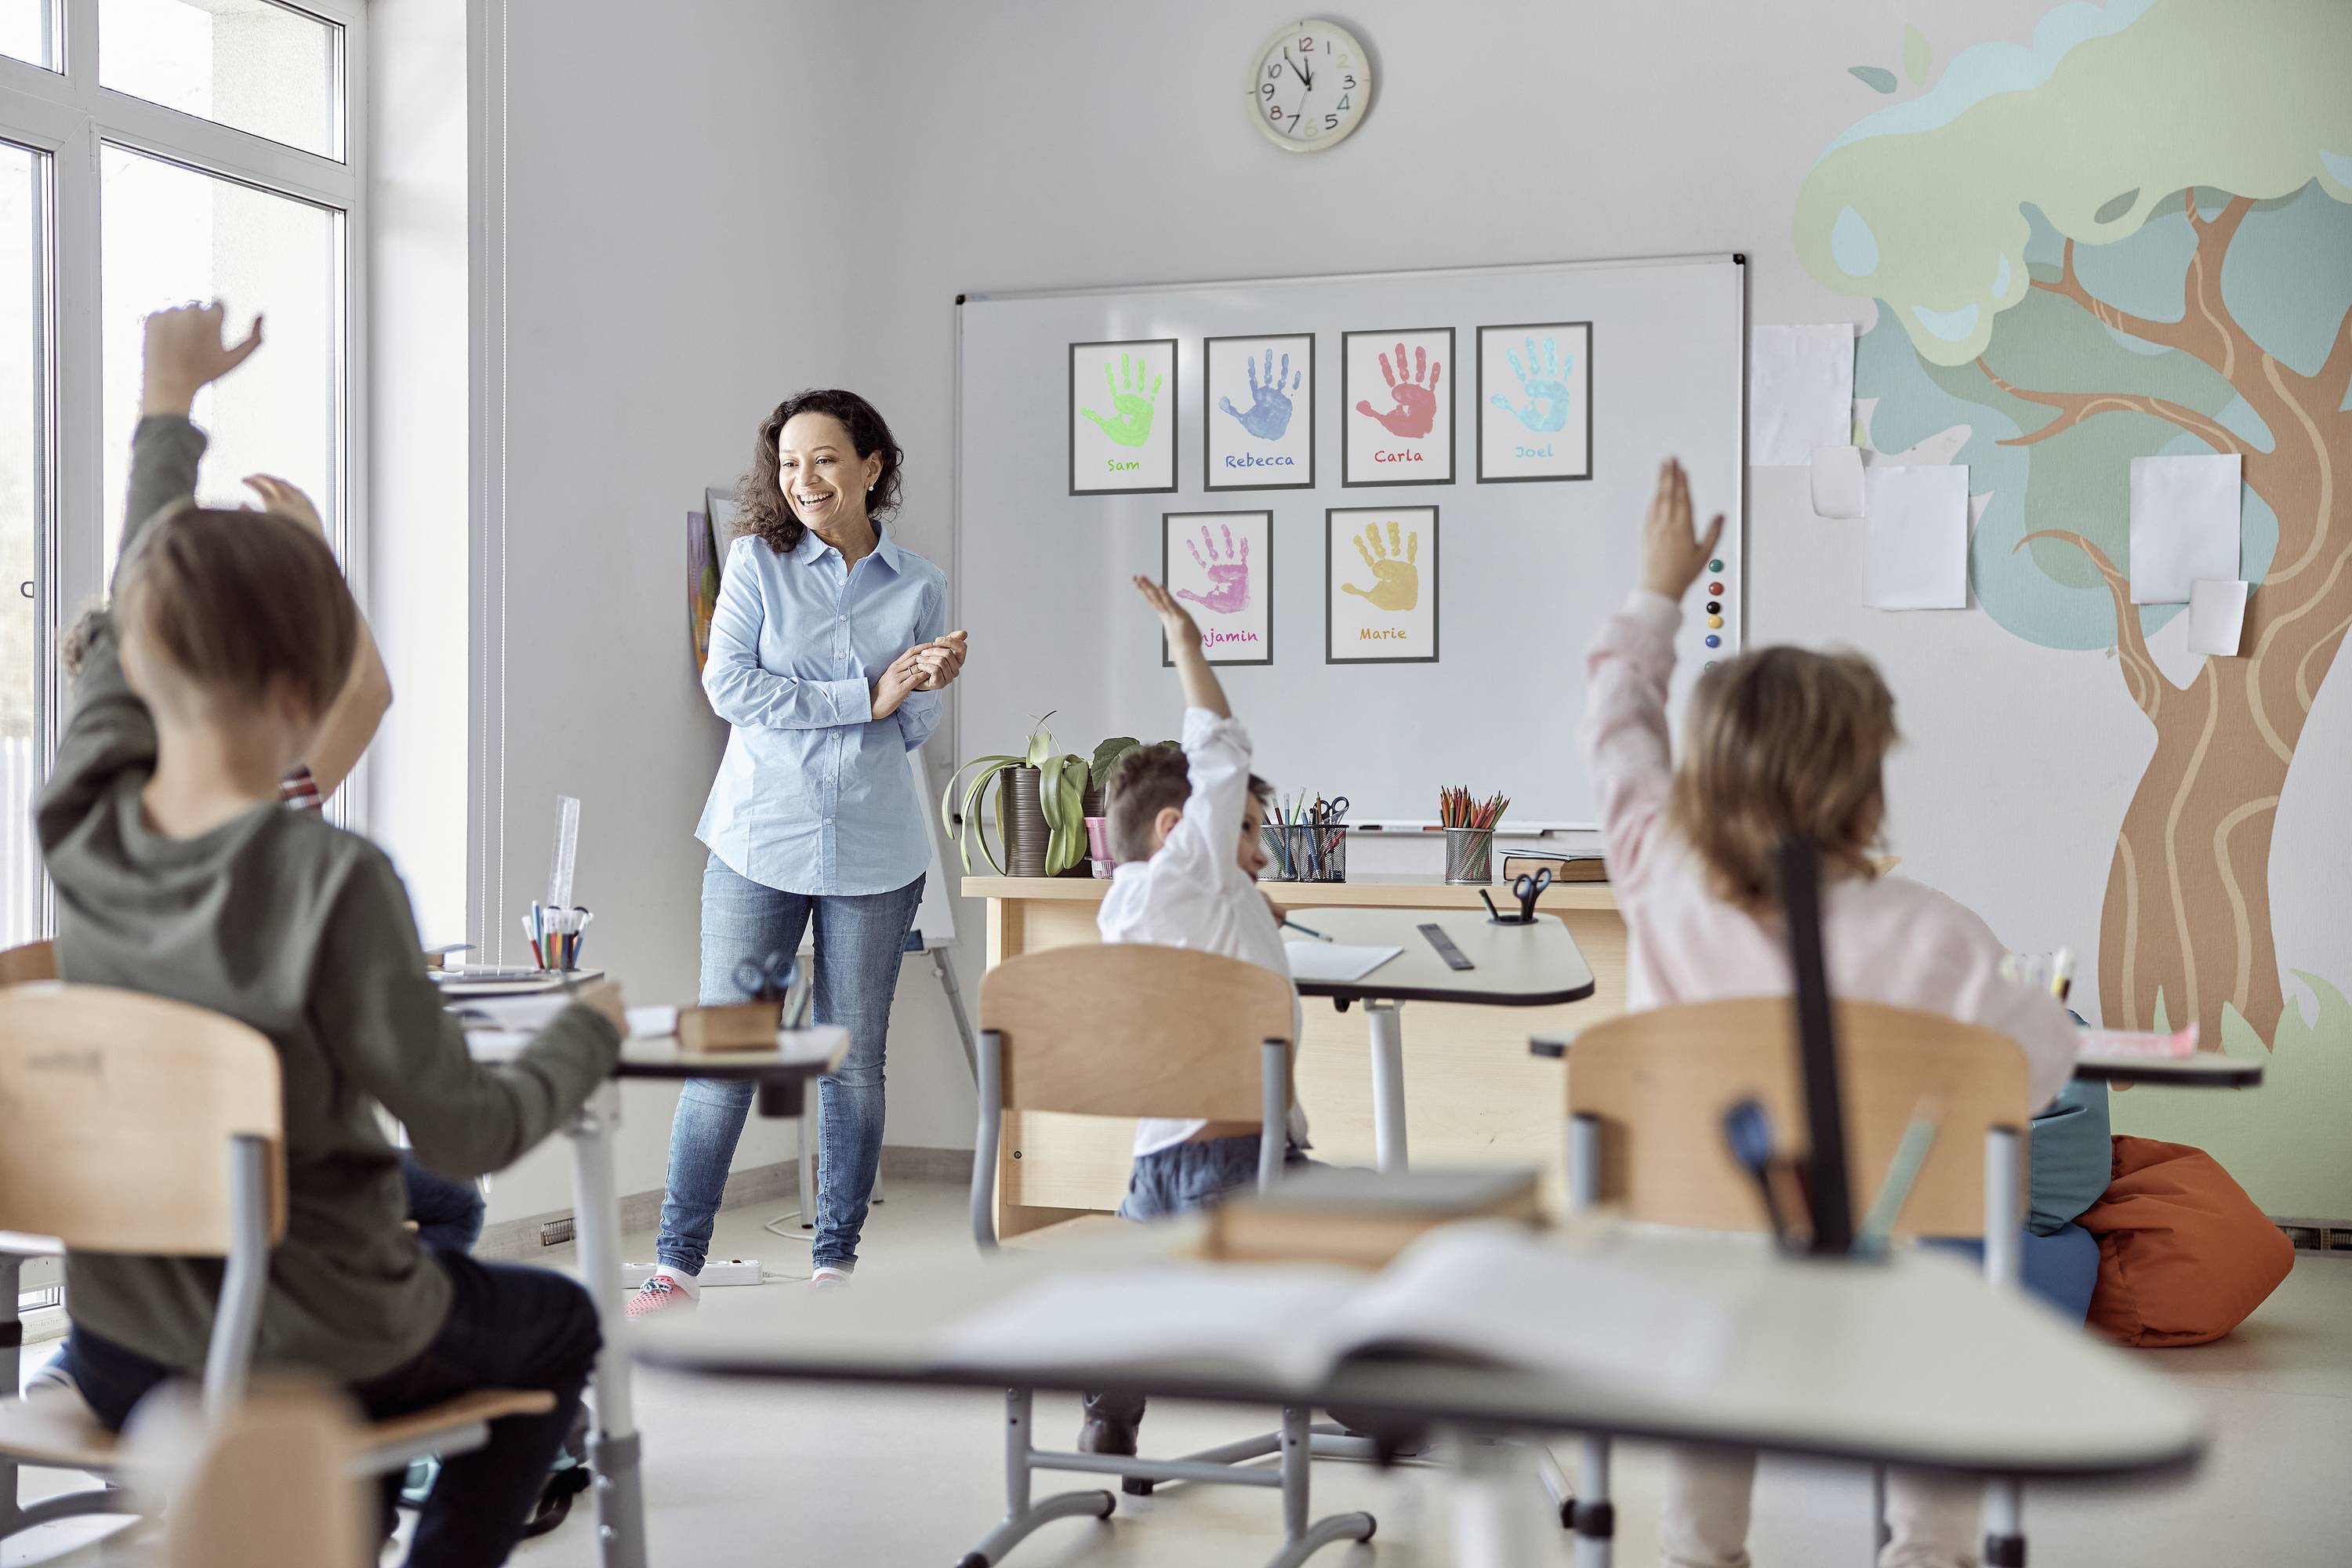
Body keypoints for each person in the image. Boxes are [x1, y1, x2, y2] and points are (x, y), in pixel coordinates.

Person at [40, 301, 626, 1568]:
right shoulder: (331, 877)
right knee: (562, 1326)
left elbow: (133, 629)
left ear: (134, 659)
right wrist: (583, 1039)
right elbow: (466, 1132)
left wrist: (167, 395)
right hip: (310, 1341)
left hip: (121, 1347)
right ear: (302, 698)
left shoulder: (78, 827)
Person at [1580, 458, 2082, 1568]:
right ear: (1868, 791)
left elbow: (1616, 728)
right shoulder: (1934, 934)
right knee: (1939, 1326)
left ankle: (1701, 1553)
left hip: (1694, 1286)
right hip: (1865, 1281)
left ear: (1701, 780)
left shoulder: (1656, 879)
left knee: (1720, 1346)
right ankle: (1925, 1554)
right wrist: (2039, 1015)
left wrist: (1657, 592)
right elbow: (2040, 1072)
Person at [632, 390, 966, 1312]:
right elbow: (731, 687)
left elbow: (913, 727)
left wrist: (924, 685)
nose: (803, 479)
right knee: (727, 1054)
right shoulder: (755, 564)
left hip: (876, 844)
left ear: (871, 466)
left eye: (823, 459)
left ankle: (834, 1267)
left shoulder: (919, 583)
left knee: (854, 1062)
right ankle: (676, 1265)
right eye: (787, 463)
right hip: (757, 837)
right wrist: (867, 694)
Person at [1076, 574, 1309, 1457]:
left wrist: (1250, 907)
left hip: (1152, 1166)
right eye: (1244, 832)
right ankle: (1372, 1408)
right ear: (1180, 830)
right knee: (1363, 1236)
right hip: (1239, 1158)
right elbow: (1218, 747)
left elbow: (1208, 940)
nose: (1253, 853)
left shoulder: (1133, 905)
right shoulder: (1194, 870)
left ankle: (1108, 1412)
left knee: (1139, 1294)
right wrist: (1188, 646)